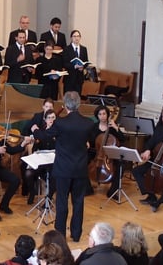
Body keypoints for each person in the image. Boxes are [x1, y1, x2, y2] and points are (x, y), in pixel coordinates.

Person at [44, 91, 94, 242]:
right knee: (78, 202)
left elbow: (46, 136)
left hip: (63, 169)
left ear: (65, 105)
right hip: (80, 168)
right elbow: (88, 142)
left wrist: (36, 130)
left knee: (62, 201)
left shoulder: (60, 123)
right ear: (79, 104)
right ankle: (76, 234)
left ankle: (60, 235)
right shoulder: (88, 123)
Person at [88, 105, 125, 198]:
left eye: (104, 114)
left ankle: (113, 191)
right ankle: (87, 188)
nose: (102, 116)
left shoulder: (112, 127)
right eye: (100, 114)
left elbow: (123, 139)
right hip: (96, 153)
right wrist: (87, 142)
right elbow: (88, 139)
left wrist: (116, 128)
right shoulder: (93, 127)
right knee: (82, 161)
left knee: (121, 165)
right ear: (97, 116)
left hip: (109, 155)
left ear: (108, 115)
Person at [26, 108, 57, 205]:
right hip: (41, 162)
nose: (51, 120)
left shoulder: (58, 132)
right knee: (28, 173)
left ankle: (48, 199)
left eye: (53, 117)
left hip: (53, 163)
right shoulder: (41, 132)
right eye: (49, 118)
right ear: (45, 119)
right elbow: (35, 148)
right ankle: (32, 192)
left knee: (54, 177)